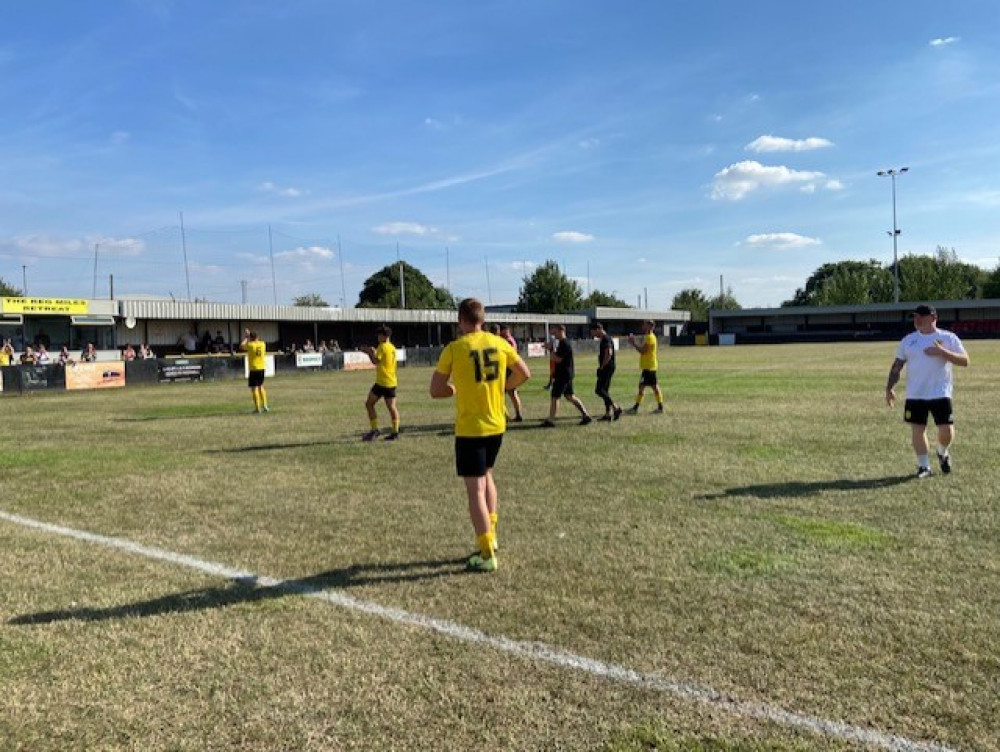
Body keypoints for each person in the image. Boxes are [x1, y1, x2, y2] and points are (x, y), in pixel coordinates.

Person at [430, 297, 530, 572]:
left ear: (461, 320)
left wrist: (455, 389)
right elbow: (525, 374)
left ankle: (486, 553)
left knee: (474, 490)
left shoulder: (454, 348)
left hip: (471, 427)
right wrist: (503, 387)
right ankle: (492, 537)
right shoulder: (499, 343)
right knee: (487, 475)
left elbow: (436, 390)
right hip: (497, 424)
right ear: (482, 319)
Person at [886, 304, 969, 478]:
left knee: (946, 430)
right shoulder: (908, 340)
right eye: (915, 317)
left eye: (921, 316)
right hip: (915, 394)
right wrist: (890, 388)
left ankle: (941, 451)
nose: (917, 320)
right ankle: (924, 466)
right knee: (917, 429)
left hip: (940, 392)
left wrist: (942, 351)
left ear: (933, 318)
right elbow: (897, 366)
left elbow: (965, 361)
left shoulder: (948, 338)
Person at [542, 324, 592, 427]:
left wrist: (550, 349)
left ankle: (551, 420)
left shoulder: (564, 343)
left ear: (561, 331)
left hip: (563, 375)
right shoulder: (563, 343)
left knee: (555, 396)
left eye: (555, 332)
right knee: (570, 396)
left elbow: (557, 359)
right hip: (567, 374)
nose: (553, 334)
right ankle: (586, 415)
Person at [361, 325, 400, 441]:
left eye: (379, 335)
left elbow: (375, 361)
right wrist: (373, 351)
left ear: (384, 336)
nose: (378, 337)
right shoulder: (392, 347)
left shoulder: (382, 347)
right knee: (392, 408)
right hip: (391, 381)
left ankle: (374, 430)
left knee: (369, 404)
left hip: (381, 382)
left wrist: (368, 352)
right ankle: (395, 432)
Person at [625, 319, 664, 414]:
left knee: (645, 387)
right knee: (650, 387)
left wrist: (633, 343)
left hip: (649, 367)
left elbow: (643, 351)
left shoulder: (650, 338)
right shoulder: (649, 337)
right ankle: (659, 407)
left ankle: (636, 408)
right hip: (649, 366)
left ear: (650, 327)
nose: (643, 326)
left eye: (645, 325)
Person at [590, 321, 623, 421]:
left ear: (598, 329)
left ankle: (615, 408)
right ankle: (607, 414)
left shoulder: (606, 339)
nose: (593, 335)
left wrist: (602, 367)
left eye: (593, 332)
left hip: (607, 368)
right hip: (607, 367)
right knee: (605, 390)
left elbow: (609, 353)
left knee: (599, 390)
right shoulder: (604, 339)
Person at [498, 323, 524, 422]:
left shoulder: (508, 341)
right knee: (512, 393)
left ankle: (509, 415)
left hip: (508, 370)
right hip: (510, 370)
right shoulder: (509, 339)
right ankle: (516, 414)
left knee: (503, 393)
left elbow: (509, 354)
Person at [239, 329, 270, 413]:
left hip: (254, 368)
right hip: (262, 367)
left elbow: (241, 346)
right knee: (261, 386)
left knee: (254, 388)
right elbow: (257, 341)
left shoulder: (250, 345)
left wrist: (246, 337)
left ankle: (257, 408)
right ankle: (265, 405)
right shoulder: (263, 344)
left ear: (250, 338)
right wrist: (251, 336)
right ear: (258, 337)